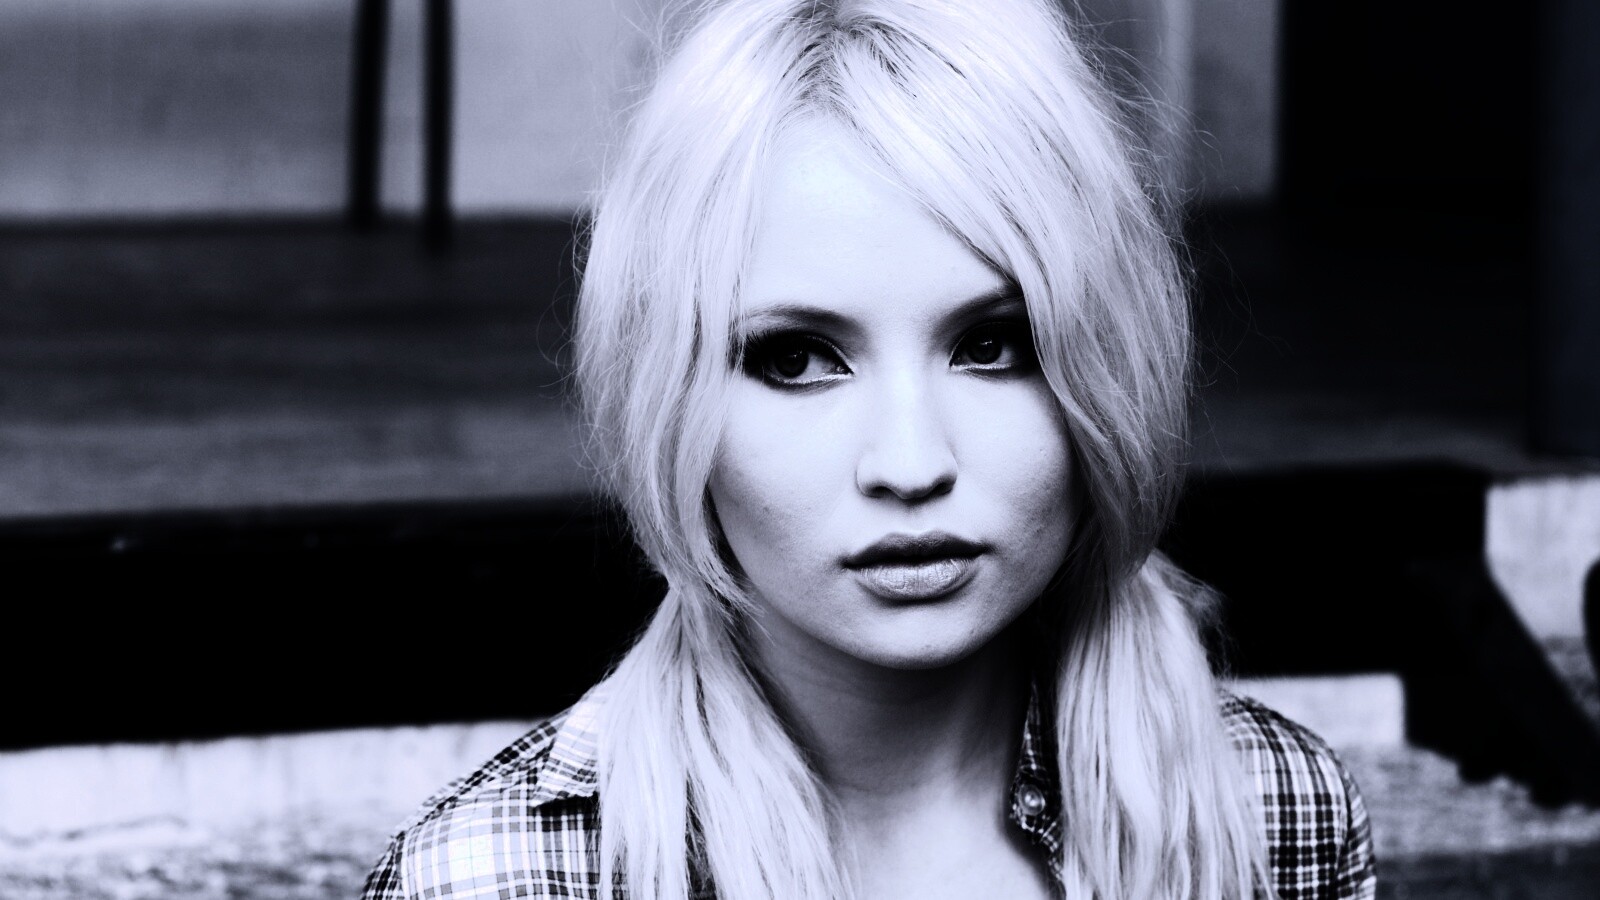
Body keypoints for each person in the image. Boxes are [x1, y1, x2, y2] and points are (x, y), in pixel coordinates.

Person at [361, 0, 1376, 897]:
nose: (909, 463)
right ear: (663, 396)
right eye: (797, 359)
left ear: (1107, 363)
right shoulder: (491, 879)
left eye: (992, 345)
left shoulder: (1275, 818)